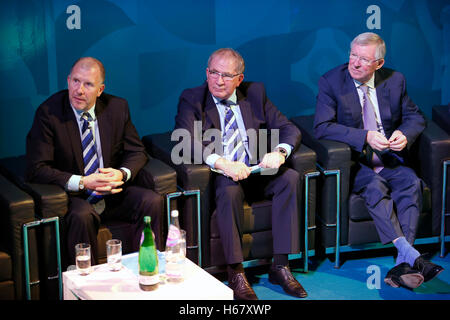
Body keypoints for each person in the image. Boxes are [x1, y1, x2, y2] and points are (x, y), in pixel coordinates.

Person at [314, 32, 444, 289]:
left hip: (389, 157)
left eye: (363, 59)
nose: (355, 63)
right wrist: (364, 137)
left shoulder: (395, 80)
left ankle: (402, 263)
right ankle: (411, 255)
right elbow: (322, 127)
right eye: (352, 55)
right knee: (375, 188)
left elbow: (415, 117)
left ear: (379, 64)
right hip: (356, 161)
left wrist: (404, 135)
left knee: (411, 183)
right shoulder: (331, 81)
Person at [175, 48, 306, 300]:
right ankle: (236, 272)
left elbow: (288, 128)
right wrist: (223, 163)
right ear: (207, 72)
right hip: (225, 175)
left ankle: (281, 265)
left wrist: (279, 152)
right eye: (213, 73)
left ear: (239, 79)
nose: (219, 80)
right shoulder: (192, 98)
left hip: (255, 169)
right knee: (229, 190)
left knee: (289, 177)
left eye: (226, 75)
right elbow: (186, 138)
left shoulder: (255, 94)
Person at [26, 57, 163, 266]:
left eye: (88, 84)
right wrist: (83, 182)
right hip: (74, 196)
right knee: (82, 215)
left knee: (151, 200)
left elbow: (137, 151)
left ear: (100, 90)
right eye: (75, 81)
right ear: (68, 80)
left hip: (113, 194)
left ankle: (147, 268)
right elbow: (37, 168)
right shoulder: (49, 113)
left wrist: (122, 174)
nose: (79, 90)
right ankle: (82, 284)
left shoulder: (117, 107)